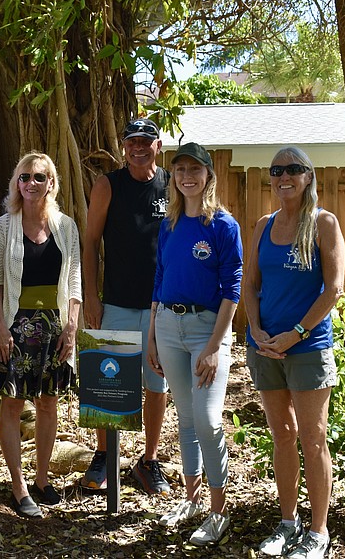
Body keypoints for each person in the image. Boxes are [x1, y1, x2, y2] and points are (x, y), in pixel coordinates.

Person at [244, 146, 345, 559]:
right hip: (265, 348)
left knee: (313, 436)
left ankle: (318, 533)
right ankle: (288, 523)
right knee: (281, 435)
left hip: (307, 349)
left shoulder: (324, 223)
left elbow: (334, 289)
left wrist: (297, 333)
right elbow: (249, 285)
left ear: (308, 176)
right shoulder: (263, 225)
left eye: (293, 169)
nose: (284, 175)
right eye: (277, 170)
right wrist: (254, 328)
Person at [146, 143, 242, 545]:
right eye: (180, 169)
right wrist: (152, 335)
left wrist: (215, 346)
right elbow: (159, 278)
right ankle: (192, 499)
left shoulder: (222, 225)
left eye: (195, 169)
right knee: (185, 417)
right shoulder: (168, 224)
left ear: (208, 175)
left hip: (207, 332)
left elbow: (232, 289)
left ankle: (218, 512)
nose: (187, 176)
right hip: (168, 326)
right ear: (173, 177)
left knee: (207, 418)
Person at [0, 152, 82, 518]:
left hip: (55, 326)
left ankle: (41, 478)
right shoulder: (2, 227)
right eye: (24, 177)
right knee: (11, 404)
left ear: (51, 183)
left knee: (48, 402)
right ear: (17, 183)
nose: (30, 183)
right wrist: (0, 328)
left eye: (38, 177)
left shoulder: (66, 226)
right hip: (15, 325)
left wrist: (71, 327)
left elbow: (74, 280)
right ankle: (18, 484)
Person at [81, 118, 171, 495]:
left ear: (158, 144)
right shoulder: (108, 185)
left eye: (145, 141)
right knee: (108, 380)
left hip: (160, 306)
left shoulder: (171, 185)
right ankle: (105, 455)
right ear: (123, 146)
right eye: (131, 141)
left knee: (156, 384)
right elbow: (90, 244)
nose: (138, 147)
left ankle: (148, 461)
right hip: (115, 301)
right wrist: (91, 296)